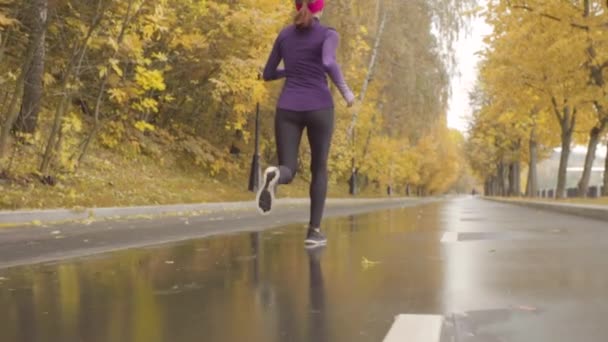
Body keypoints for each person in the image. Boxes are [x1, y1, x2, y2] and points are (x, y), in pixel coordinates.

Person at [257, 0, 355, 247]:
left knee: (288, 168)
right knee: (318, 169)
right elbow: (328, 62)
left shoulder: (285, 35)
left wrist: (288, 71)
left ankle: (275, 175)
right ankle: (314, 232)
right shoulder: (328, 34)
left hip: (288, 107)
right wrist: (346, 92)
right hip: (320, 106)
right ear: (320, 8)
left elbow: (268, 74)